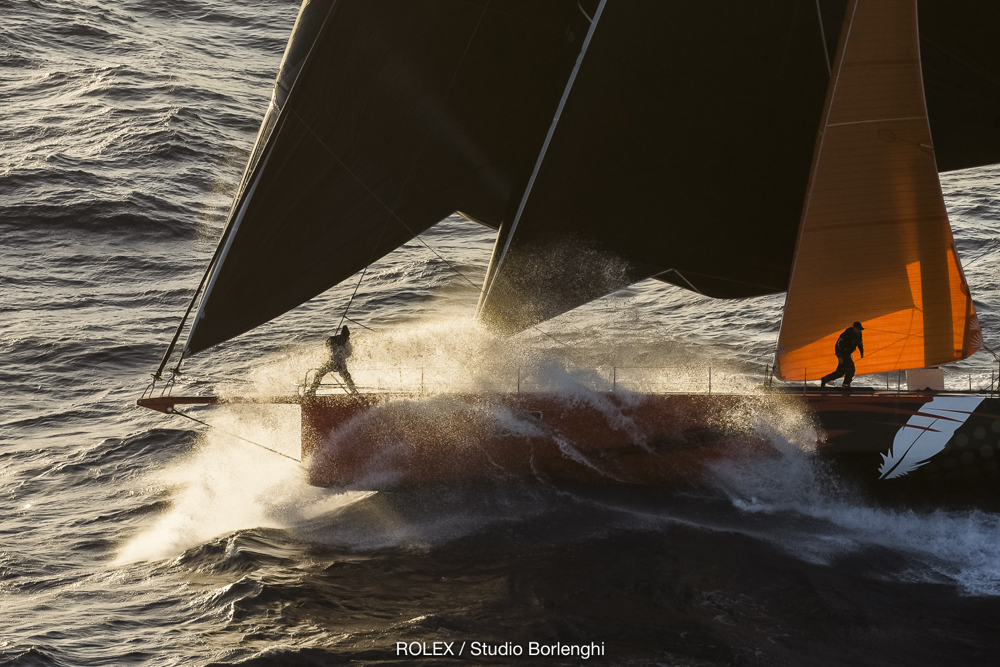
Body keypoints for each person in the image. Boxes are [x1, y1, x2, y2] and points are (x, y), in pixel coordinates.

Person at [305, 325, 358, 395]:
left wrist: (331, 342)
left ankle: (312, 391)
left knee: (319, 374)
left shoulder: (335, 339)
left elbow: (328, 345)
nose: (347, 338)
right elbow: (348, 354)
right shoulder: (344, 342)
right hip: (339, 364)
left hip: (332, 363)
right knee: (347, 377)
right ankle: (353, 391)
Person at [821, 321, 864, 388]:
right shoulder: (846, 334)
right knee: (851, 369)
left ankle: (825, 379)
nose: (860, 330)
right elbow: (837, 345)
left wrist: (861, 352)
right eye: (858, 329)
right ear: (854, 328)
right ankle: (846, 384)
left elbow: (860, 343)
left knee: (840, 372)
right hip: (843, 354)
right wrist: (839, 357)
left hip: (848, 354)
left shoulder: (859, 334)